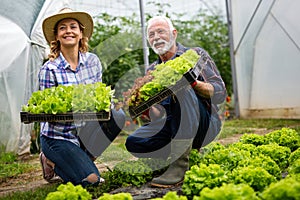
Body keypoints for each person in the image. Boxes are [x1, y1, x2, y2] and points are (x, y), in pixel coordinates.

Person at [125, 16, 227, 188]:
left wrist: (194, 83)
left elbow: (219, 92)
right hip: (172, 127)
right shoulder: (152, 71)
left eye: (160, 31)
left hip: (204, 124)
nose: (156, 37)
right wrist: (146, 109)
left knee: (182, 88)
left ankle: (179, 165)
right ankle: (178, 152)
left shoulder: (195, 55)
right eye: (151, 34)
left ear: (174, 33)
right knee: (134, 142)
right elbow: (159, 117)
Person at [38, 8, 125, 187]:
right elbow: (49, 115)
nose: (68, 31)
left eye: (73, 27)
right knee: (92, 181)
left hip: (84, 131)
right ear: (57, 36)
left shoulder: (92, 62)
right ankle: (51, 160)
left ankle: (79, 159)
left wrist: (103, 103)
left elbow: (99, 99)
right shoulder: (49, 69)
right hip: (58, 136)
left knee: (118, 116)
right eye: (62, 28)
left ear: (80, 34)